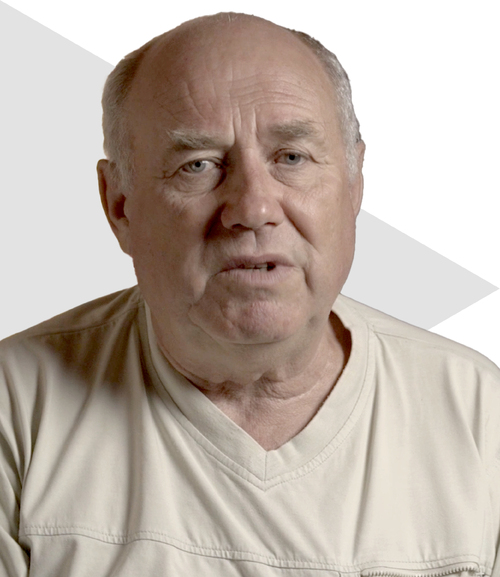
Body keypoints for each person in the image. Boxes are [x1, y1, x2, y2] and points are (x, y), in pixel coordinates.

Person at [1, 12, 499, 577]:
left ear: (354, 182)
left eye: (291, 158)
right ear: (120, 205)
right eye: (198, 165)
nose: (253, 208)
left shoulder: (477, 415)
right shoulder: (17, 408)